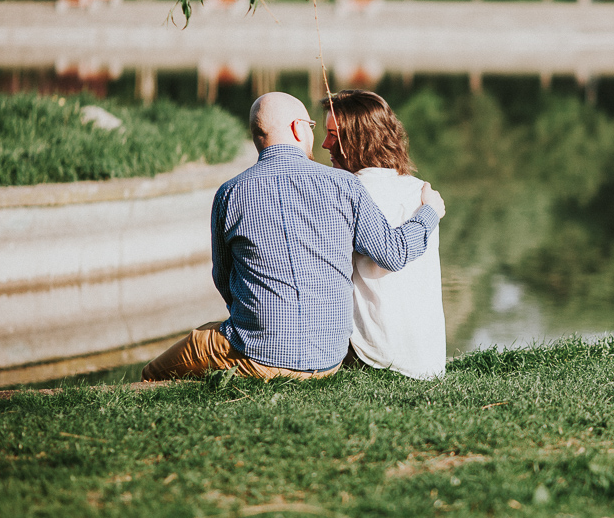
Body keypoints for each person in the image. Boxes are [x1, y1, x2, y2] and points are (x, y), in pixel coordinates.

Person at [141, 92, 445, 381]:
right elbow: (392, 253)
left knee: (153, 372)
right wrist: (430, 210)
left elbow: (224, 278)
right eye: (314, 127)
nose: (322, 141)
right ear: (298, 130)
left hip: (258, 354)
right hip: (330, 358)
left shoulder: (230, 193)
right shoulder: (346, 186)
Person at [321, 90, 446, 379]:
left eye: (334, 135)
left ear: (360, 138)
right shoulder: (421, 191)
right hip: (427, 359)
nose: (326, 143)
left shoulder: (346, 192)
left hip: (374, 355)